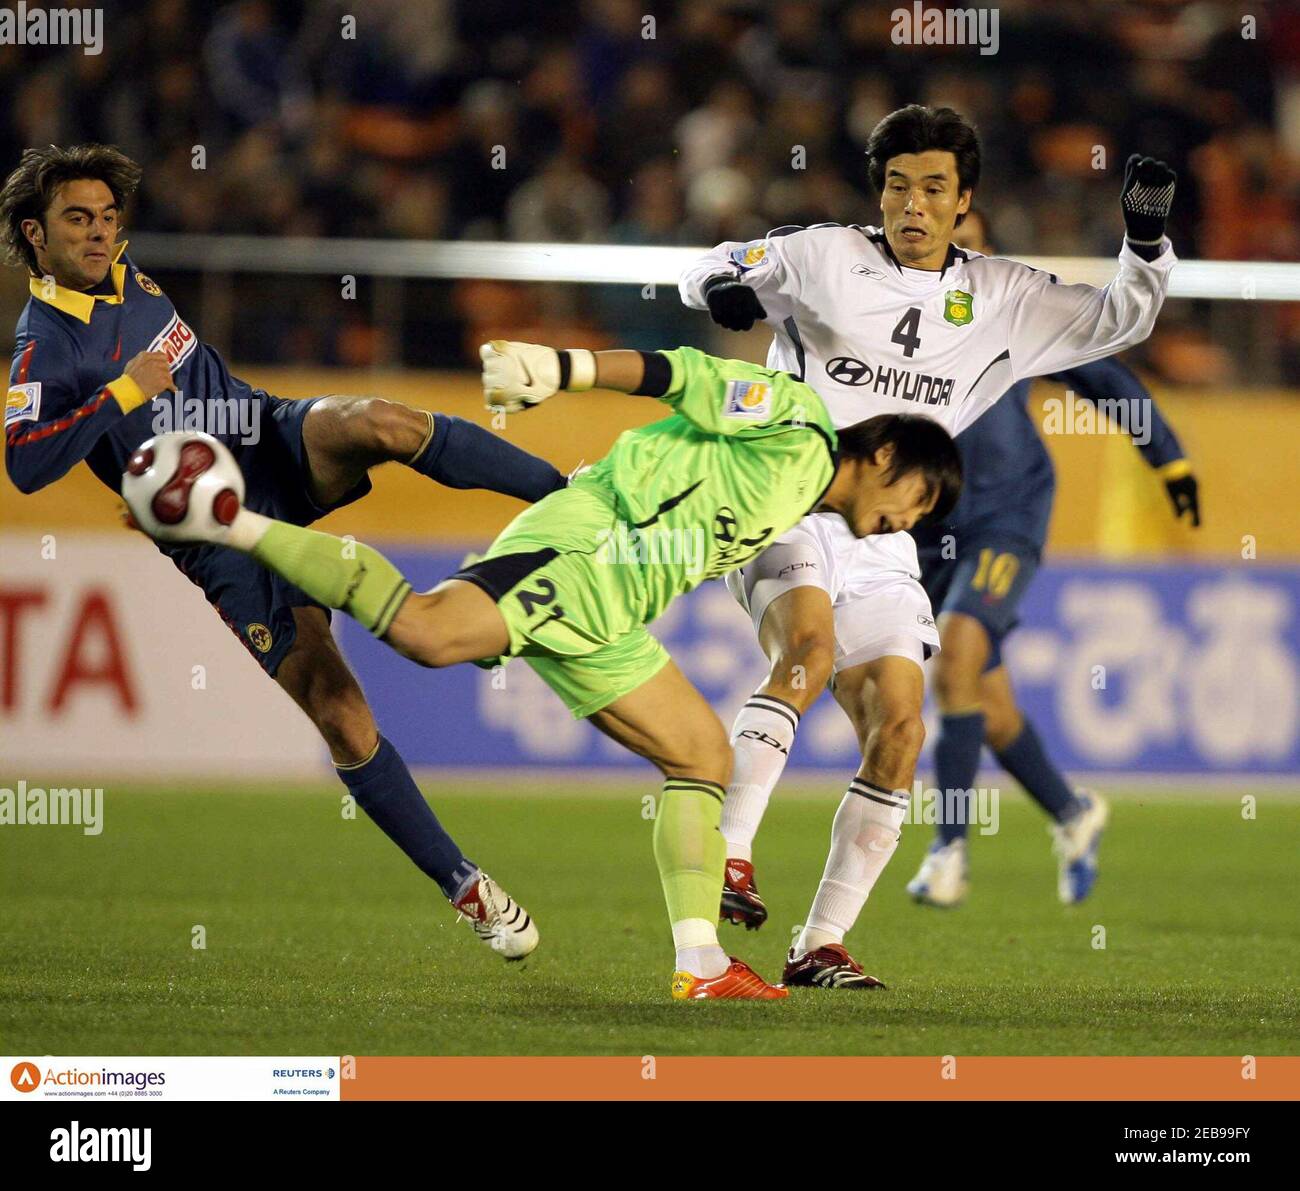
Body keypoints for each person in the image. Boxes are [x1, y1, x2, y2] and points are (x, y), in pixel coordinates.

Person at [124, 339, 963, 1000]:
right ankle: (228, 520)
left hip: (614, 610)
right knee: (425, 631)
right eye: (919, 500)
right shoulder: (799, 424)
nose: (905, 523)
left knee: (703, 756)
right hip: (584, 549)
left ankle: (702, 964)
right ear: (887, 453)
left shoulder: (800, 499)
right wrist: (558, 369)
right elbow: (685, 375)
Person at [2, 143, 568, 959]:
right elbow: (25, 463)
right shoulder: (43, 344)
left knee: (381, 420)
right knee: (340, 712)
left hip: (267, 435)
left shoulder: (129, 275)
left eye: (107, 217)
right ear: (36, 233)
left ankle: (563, 491)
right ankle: (465, 885)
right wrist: (125, 394)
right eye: (76, 220)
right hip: (216, 529)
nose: (98, 233)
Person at [679, 104, 1177, 988]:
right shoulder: (827, 255)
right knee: (810, 647)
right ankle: (728, 853)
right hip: (784, 497)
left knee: (901, 728)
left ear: (965, 199)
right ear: (880, 194)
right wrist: (721, 288)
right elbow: (715, 267)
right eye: (898, 186)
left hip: (885, 533)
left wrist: (1143, 239)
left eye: (934, 188)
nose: (913, 204)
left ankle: (818, 943)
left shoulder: (1003, 297)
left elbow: (1117, 323)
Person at [908, 208, 1200, 907]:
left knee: (956, 653)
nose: (962, 254)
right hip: (923, 530)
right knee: (985, 698)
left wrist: (1169, 459)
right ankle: (1074, 813)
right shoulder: (897, 317)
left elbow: (1107, 380)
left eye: (972, 241)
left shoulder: (1015, 310)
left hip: (1007, 517)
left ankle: (948, 850)